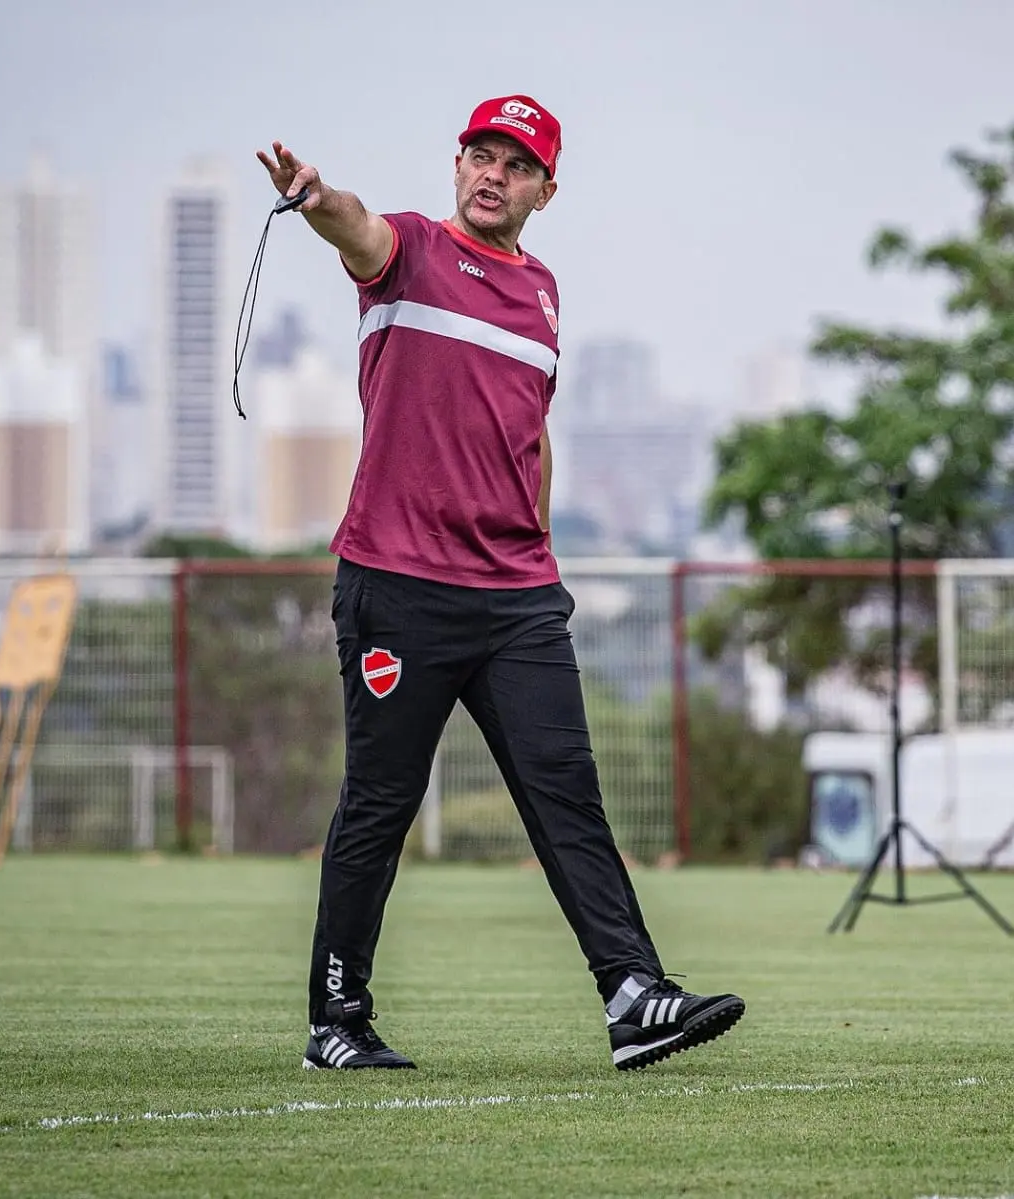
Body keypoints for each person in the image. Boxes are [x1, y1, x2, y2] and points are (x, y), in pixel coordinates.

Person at [255, 95, 744, 1073]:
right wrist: (313, 198)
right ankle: (335, 1020)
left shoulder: (544, 296)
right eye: (480, 154)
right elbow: (353, 223)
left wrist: (542, 550)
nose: (492, 173)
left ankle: (632, 994)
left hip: (516, 596)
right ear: (457, 164)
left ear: (545, 190)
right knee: (381, 803)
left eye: (515, 164)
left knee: (568, 793)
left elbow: (531, 431)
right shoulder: (406, 252)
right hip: (396, 584)